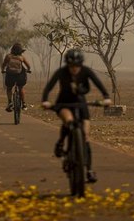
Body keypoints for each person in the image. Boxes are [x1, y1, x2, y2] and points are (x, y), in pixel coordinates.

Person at [41, 48, 111, 184]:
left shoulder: (86, 71)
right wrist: (45, 101)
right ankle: (61, 142)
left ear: (81, 64)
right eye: (71, 66)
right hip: (64, 103)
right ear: (67, 64)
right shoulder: (61, 72)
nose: (74, 68)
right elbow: (49, 87)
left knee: (85, 136)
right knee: (69, 120)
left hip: (81, 104)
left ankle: (89, 170)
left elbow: (98, 84)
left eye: (77, 66)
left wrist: (106, 97)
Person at [1, 42, 31, 112]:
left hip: (10, 75)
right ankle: (24, 104)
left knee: (9, 88)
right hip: (20, 76)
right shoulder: (21, 57)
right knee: (21, 88)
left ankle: (10, 102)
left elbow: (4, 64)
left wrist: (2, 70)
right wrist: (28, 70)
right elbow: (28, 66)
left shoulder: (8, 56)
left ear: (12, 49)